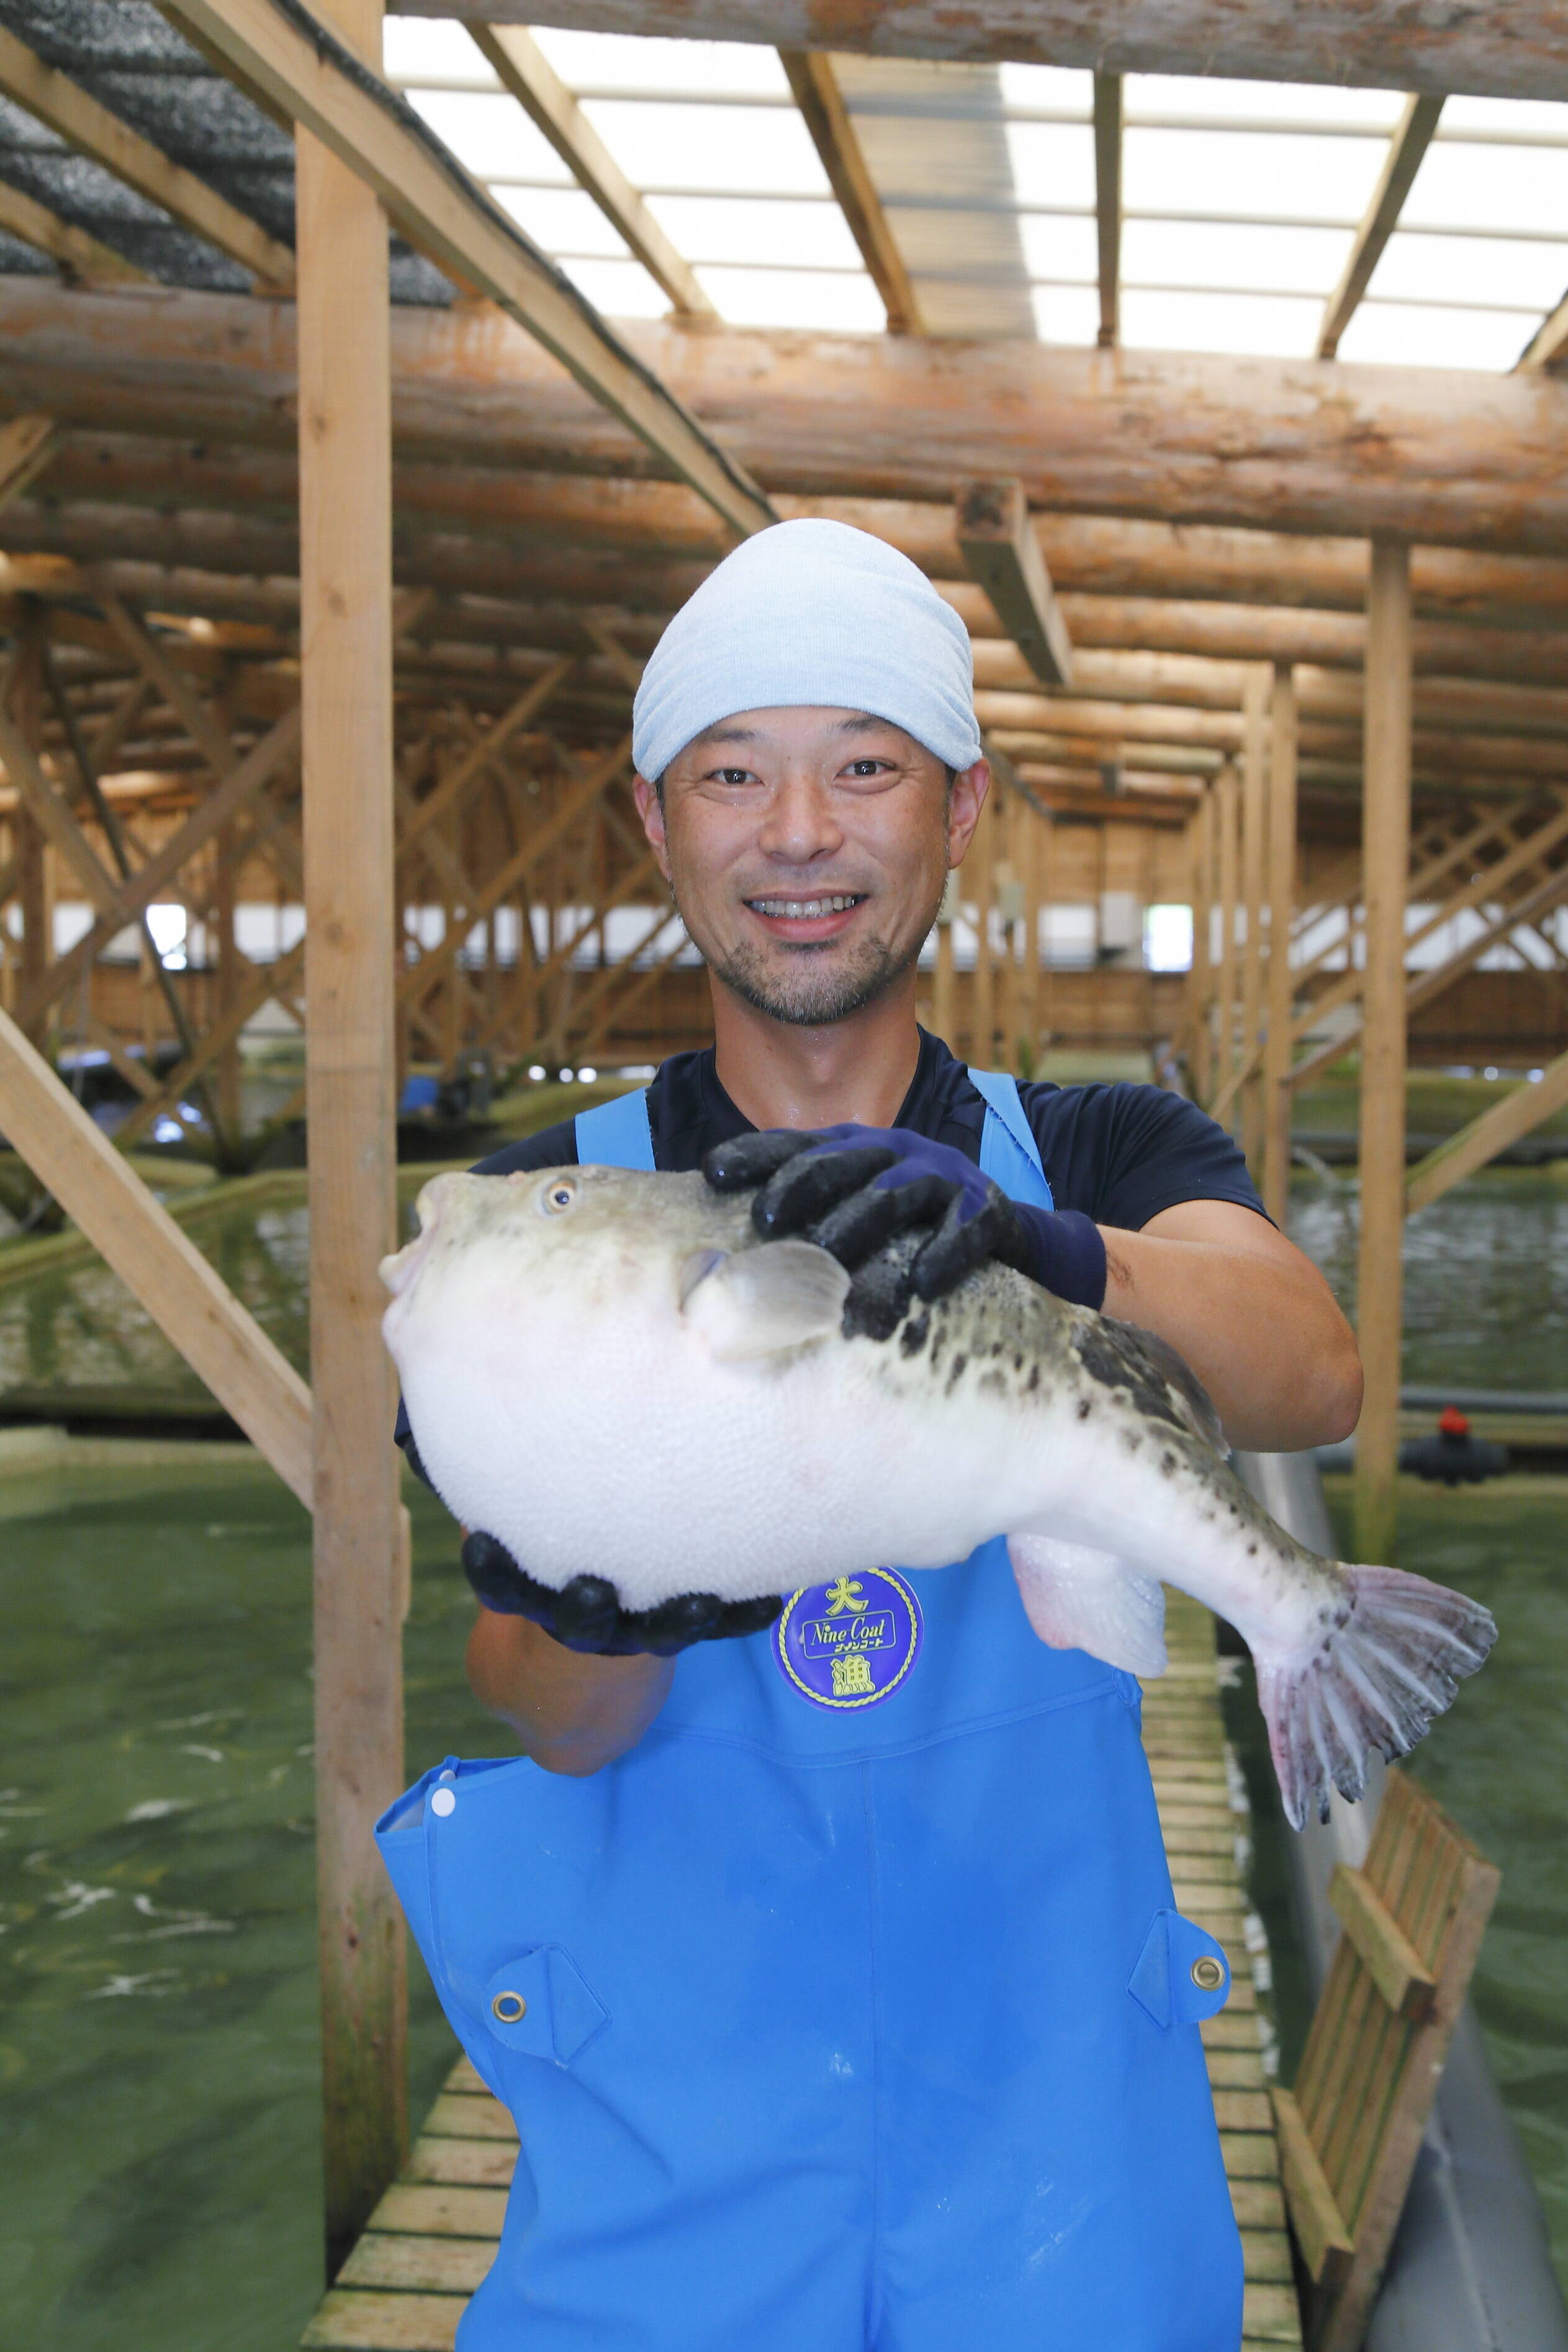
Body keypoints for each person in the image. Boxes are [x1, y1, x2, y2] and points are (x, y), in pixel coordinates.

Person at [381, 520, 1362, 2352]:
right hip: (671, 2166)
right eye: (736, 774)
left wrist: (1039, 1249)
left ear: (962, 806)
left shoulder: (1097, 1158)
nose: (802, 833)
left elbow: (1311, 1373)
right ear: (657, 819)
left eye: (866, 767)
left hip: (1060, 2163)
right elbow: (549, 1712)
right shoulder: (539, 1225)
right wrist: (607, 1623)